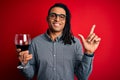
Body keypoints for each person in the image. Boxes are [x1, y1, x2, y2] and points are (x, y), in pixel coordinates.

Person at [17, 3, 101, 80]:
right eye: (53, 15)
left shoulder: (75, 43)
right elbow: (29, 75)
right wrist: (24, 64)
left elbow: (82, 77)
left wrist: (89, 53)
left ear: (65, 21)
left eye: (61, 16)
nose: (57, 19)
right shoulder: (35, 42)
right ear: (47, 18)